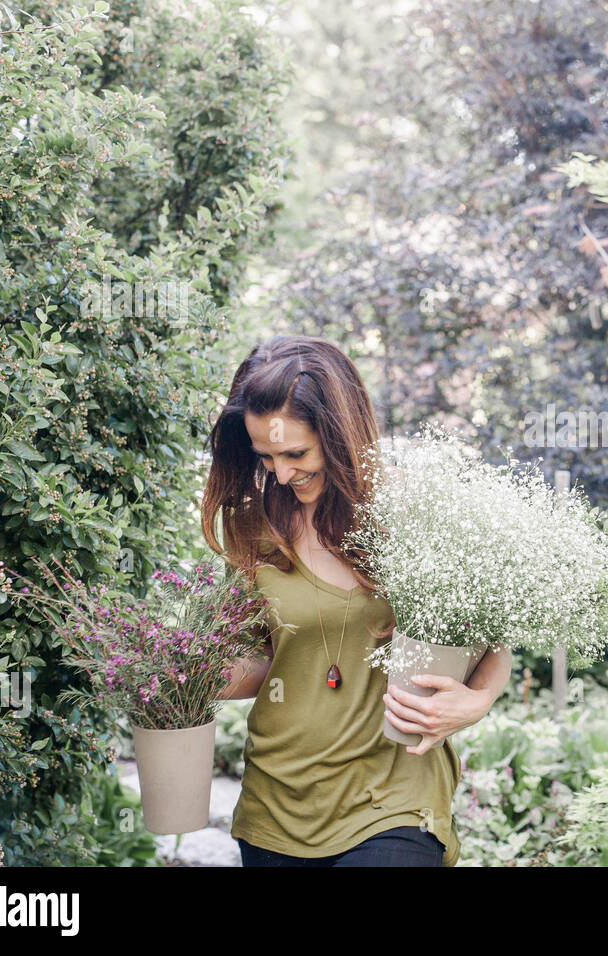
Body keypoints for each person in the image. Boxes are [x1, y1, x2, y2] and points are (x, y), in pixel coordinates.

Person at [201, 335, 511, 866]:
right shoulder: (256, 523)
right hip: (278, 805)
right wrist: (180, 677)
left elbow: (492, 635)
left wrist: (478, 699)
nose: (280, 473)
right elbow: (264, 659)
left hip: (394, 798)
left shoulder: (417, 509)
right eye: (265, 456)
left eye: (296, 453)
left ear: (340, 433)